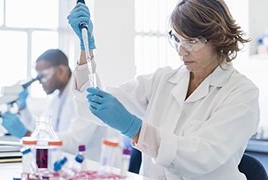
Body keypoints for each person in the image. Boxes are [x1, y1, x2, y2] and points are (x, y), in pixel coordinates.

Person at [68, 0, 260, 179]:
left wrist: (135, 129)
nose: (181, 51)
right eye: (176, 39)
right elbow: (89, 105)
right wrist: (86, 47)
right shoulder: (163, 80)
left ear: (218, 37)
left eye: (191, 42)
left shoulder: (241, 93)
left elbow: (201, 157)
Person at [1, 49, 108, 162]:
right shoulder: (57, 97)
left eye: (43, 76)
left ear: (61, 71)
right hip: (69, 164)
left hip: (94, 166)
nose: (40, 81)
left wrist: (28, 135)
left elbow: (76, 142)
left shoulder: (84, 92)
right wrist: (23, 108)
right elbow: (42, 129)